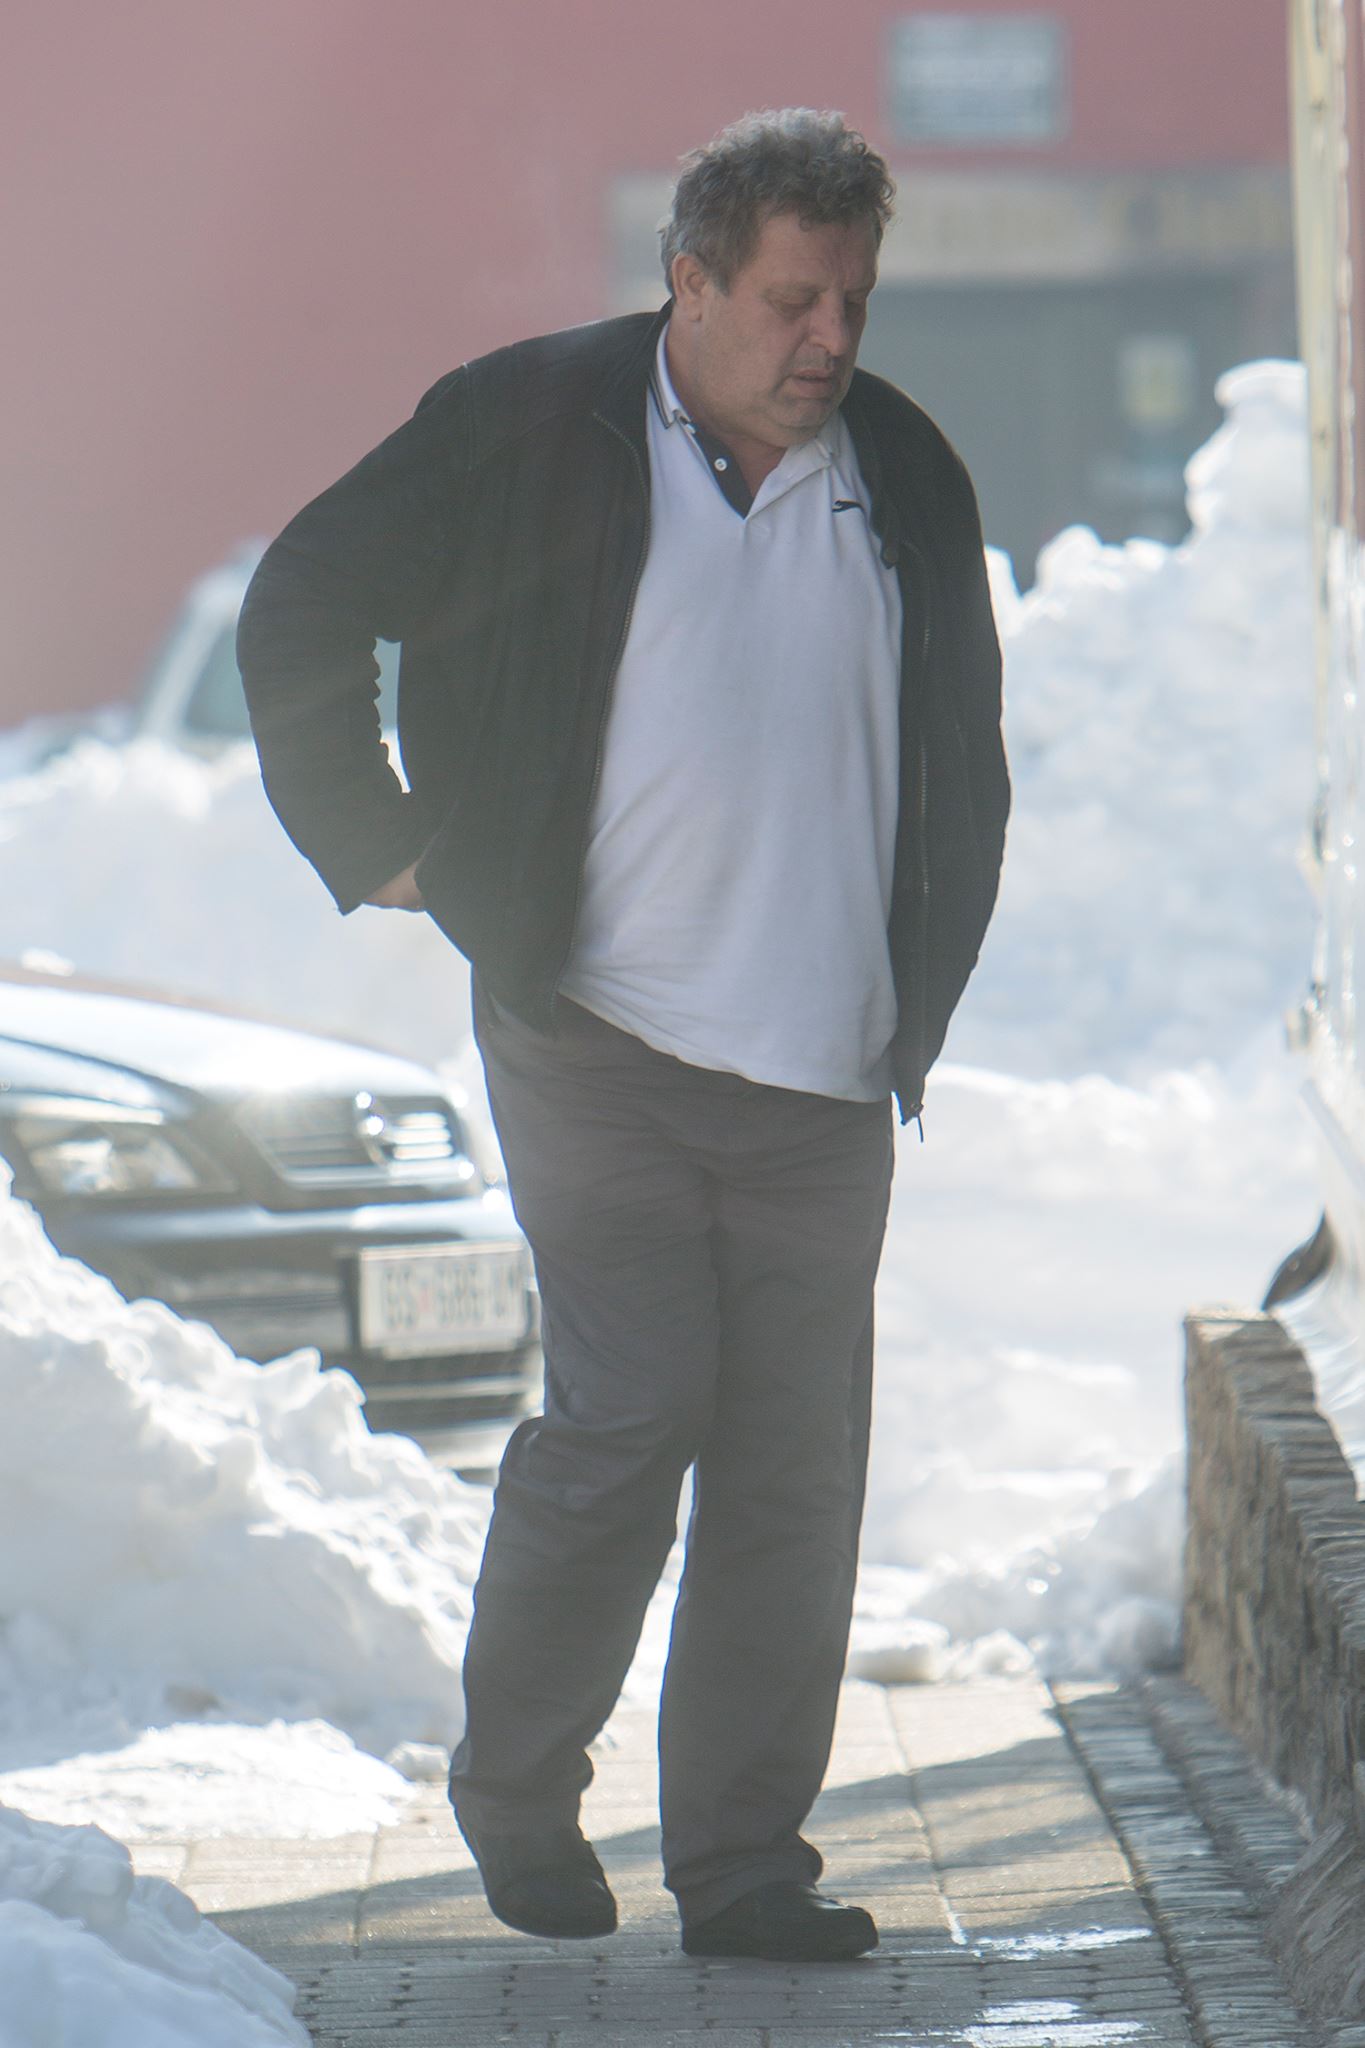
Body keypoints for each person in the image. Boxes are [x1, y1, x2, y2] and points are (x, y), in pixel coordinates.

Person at [237, 107, 1009, 1964]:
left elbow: (958, 744)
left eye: (855, 299)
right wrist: (380, 836)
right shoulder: (530, 422)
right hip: (593, 1024)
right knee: (635, 1406)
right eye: (793, 299)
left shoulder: (900, 466)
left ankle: (740, 1867)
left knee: (790, 1470)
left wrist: (923, 973)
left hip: (825, 1064)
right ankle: (517, 1782)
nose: (829, 338)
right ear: (690, 281)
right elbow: (306, 600)